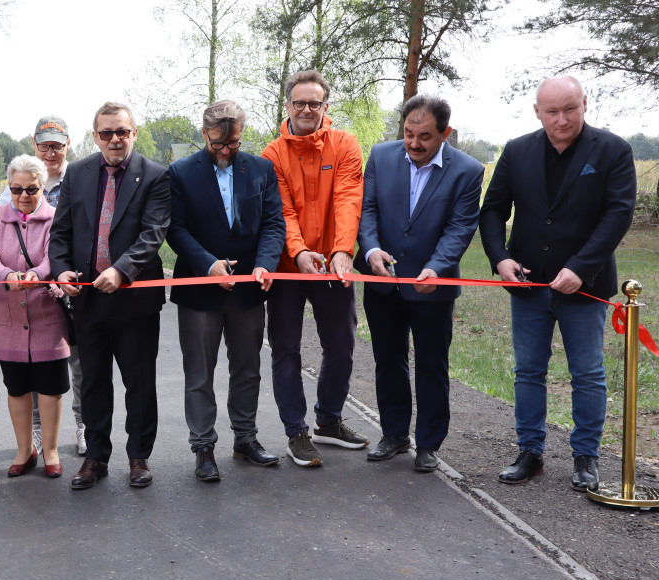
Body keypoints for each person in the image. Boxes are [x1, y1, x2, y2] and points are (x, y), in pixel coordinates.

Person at [479, 75, 636, 490]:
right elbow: (492, 210)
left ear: (585, 103)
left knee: (587, 374)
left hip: (585, 287)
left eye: (570, 109)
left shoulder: (613, 150)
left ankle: (586, 458)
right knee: (528, 371)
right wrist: (500, 257)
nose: (562, 119)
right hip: (528, 284)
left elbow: (618, 214)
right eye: (552, 111)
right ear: (537, 111)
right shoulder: (516, 151)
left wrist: (581, 267)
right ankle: (530, 451)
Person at [355, 94, 484, 472]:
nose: (413, 143)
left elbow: (460, 228)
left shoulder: (467, 171)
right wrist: (371, 248)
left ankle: (429, 443)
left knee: (431, 364)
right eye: (409, 133)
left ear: (445, 133)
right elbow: (368, 209)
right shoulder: (380, 155)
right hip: (382, 282)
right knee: (388, 361)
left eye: (424, 136)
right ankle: (394, 434)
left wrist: (438, 268)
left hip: (432, 286)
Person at [49, 101, 171, 490]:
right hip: (86, 299)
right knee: (93, 382)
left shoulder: (155, 176)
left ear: (133, 132)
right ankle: (95, 458)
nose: (114, 139)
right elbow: (61, 232)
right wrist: (60, 269)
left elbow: (153, 234)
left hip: (134, 299)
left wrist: (121, 270)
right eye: (106, 133)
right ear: (96, 135)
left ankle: (139, 457)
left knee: (139, 381)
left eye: (122, 132)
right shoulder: (79, 173)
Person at [166, 100, 286, 482]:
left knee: (248, 369)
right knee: (199, 373)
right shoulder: (181, 172)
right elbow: (176, 229)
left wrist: (266, 262)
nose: (224, 152)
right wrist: (207, 264)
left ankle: (245, 439)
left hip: (249, 289)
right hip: (200, 291)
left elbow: (273, 223)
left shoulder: (262, 169)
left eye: (232, 144)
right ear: (204, 134)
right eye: (217, 145)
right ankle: (203, 447)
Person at [261, 69, 369, 467]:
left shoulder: (345, 145)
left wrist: (343, 250)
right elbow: (281, 210)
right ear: (287, 106)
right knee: (285, 349)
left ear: (326, 107)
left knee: (341, 345)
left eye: (314, 103)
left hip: (333, 266)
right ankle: (296, 431)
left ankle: (328, 421)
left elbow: (347, 198)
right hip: (290, 267)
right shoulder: (272, 154)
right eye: (299, 102)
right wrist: (299, 250)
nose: (306, 109)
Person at [0, 115, 87, 456]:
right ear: (35, 145)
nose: (51, 153)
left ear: (67, 147)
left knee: (80, 363)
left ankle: (83, 424)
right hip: (30, 294)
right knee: (34, 363)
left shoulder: (79, 179)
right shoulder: (17, 182)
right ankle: (36, 432)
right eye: (45, 145)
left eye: (58, 146)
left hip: (71, 286)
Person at [0, 155, 72, 478]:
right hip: (6, 315)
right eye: (16, 189)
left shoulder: (55, 218)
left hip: (46, 313)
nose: (23, 196)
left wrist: (36, 274)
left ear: (42, 187)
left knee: (50, 387)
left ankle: (50, 450)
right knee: (16, 387)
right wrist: (5, 274)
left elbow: (55, 255)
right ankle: (24, 449)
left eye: (31, 190)